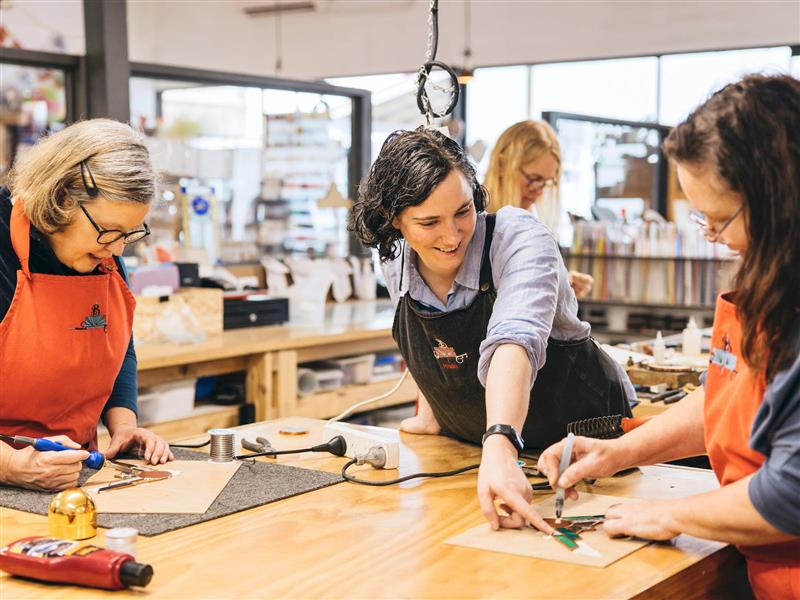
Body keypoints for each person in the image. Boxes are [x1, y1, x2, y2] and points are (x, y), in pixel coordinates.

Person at [538, 74, 800, 599]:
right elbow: (724, 397)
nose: (711, 235)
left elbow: (788, 496)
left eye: (721, 219)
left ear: (777, 199)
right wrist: (618, 452)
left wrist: (669, 515)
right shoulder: (771, 277)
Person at [350, 127, 634, 531]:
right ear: (394, 221)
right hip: (482, 454)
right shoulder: (396, 259)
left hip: (588, 448)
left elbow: (514, 342)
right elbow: (436, 340)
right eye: (429, 222)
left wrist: (500, 443)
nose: (451, 237)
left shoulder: (519, 238)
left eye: (463, 212)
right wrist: (434, 414)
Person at [0, 119, 174, 492]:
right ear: (61, 198)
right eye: (109, 231)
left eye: (129, 234)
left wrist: (124, 426)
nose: (117, 248)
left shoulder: (103, 253)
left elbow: (117, 345)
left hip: (68, 478)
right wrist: (12, 465)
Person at [484, 120, 594, 298]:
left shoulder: (532, 226)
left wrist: (562, 285)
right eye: (533, 178)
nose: (538, 189)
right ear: (502, 165)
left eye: (546, 182)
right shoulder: (469, 221)